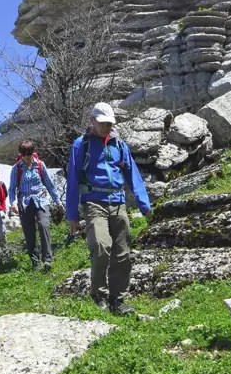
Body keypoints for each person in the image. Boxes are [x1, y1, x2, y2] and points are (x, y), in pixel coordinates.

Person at [66, 102, 152, 315]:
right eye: (102, 123)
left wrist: (145, 206)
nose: (106, 127)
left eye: (109, 123)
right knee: (101, 246)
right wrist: (72, 215)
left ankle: (118, 300)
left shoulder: (119, 145)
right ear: (92, 121)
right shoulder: (81, 145)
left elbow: (133, 176)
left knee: (122, 252)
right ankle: (99, 295)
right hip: (94, 203)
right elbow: (73, 179)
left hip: (118, 202)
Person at [9, 139, 62, 270]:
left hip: (41, 200)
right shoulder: (17, 168)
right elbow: (12, 188)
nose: (27, 156)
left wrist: (58, 201)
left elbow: (49, 184)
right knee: (29, 232)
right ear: (21, 154)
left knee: (44, 225)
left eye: (29, 153)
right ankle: (35, 262)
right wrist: (13, 203)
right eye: (24, 153)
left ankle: (47, 260)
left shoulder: (40, 165)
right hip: (24, 202)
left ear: (33, 152)